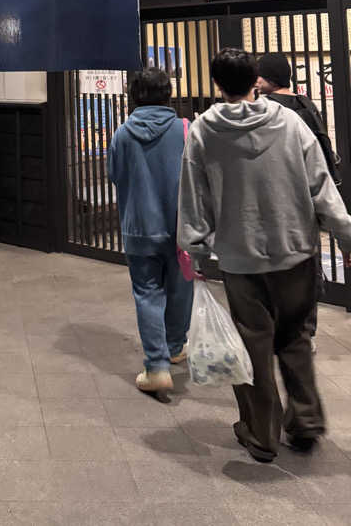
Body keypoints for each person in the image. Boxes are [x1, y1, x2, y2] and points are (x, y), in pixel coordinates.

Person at [178, 48, 351, 462]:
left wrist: (196, 247)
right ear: (255, 80)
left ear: (217, 83)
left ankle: (261, 435)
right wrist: (346, 236)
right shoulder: (290, 123)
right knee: (295, 337)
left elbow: (194, 196)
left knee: (253, 343)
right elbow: (321, 186)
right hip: (296, 251)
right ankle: (305, 421)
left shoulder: (203, 131)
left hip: (241, 258)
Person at [108, 67, 193, 395]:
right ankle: (175, 346)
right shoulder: (185, 129)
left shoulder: (122, 134)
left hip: (140, 227)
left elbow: (115, 175)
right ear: (168, 94)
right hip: (180, 228)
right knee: (181, 288)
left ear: (134, 96)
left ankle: (156, 366)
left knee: (147, 293)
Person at [256, 51, 342, 350]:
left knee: (273, 270)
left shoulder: (268, 109)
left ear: (268, 78)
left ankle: (279, 329)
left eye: (259, 75)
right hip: (307, 202)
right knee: (306, 268)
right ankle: (305, 331)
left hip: (276, 201)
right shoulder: (307, 105)